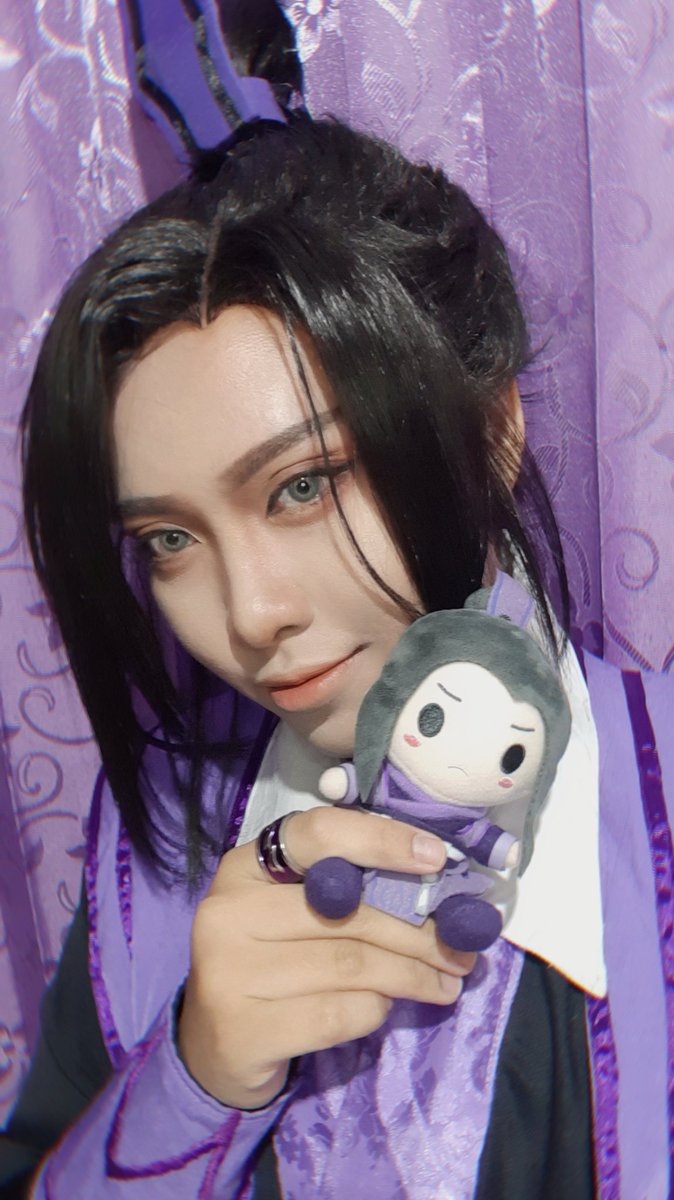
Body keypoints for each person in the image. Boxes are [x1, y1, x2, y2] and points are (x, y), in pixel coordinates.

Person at [1, 4, 670, 1197]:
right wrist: (195, 1077)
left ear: (493, 428)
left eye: (303, 485)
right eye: (168, 539)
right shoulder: (154, 856)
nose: (248, 614)